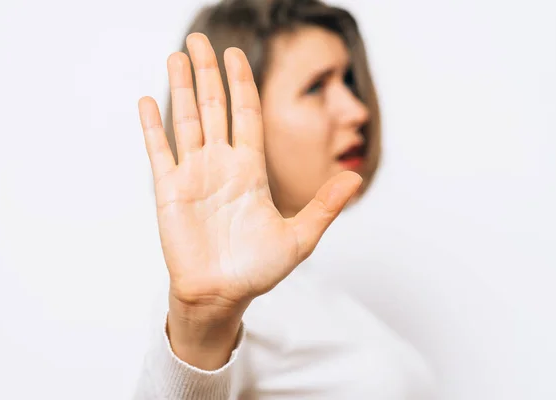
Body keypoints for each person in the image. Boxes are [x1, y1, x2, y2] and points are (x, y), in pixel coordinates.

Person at [134, 0, 435, 398]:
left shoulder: (310, 297)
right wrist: (201, 327)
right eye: (315, 87)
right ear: (237, 115)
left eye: (347, 80)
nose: (357, 110)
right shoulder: (228, 307)